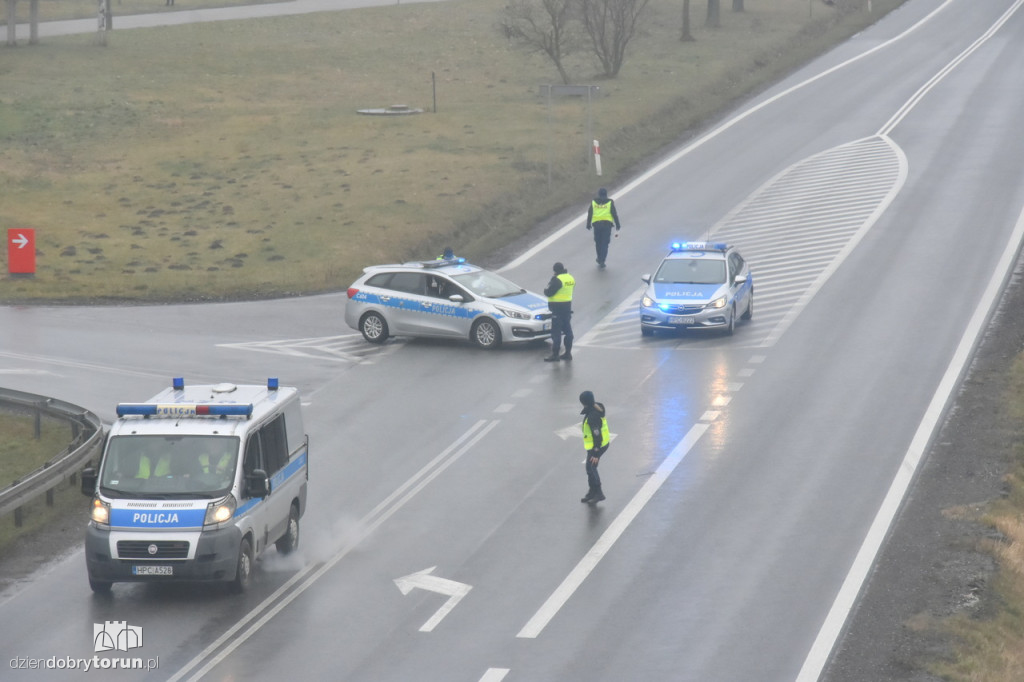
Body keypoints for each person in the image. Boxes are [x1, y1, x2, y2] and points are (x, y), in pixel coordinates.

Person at [579, 390, 609, 503]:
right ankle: (592, 491)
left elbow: (597, 435)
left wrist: (596, 453)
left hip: (597, 446)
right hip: (599, 445)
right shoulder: (597, 407)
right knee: (589, 468)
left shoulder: (593, 416)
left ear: (584, 402)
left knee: (591, 468)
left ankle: (598, 492)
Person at [543, 262, 574, 362]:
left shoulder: (557, 279)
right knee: (568, 331)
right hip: (567, 307)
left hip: (557, 309)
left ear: (555, 270)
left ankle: (555, 355)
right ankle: (568, 353)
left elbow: (548, 292)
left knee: (556, 332)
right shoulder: (570, 278)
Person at [586, 188, 622, 268]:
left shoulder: (594, 202)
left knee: (598, 243)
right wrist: (617, 224)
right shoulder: (609, 202)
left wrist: (588, 224)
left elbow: (590, 213)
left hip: (597, 225)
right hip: (607, 226)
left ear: (598, 194)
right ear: (606, 194)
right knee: (605, 244)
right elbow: (614, 214)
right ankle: (602, 260)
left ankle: (599, 258)